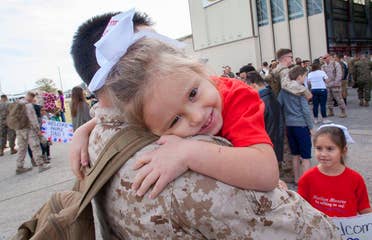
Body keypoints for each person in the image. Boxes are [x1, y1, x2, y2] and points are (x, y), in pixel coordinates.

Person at [69, 10, 340, 239]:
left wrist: (189, 152)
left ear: (200, 71)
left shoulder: (236, 97)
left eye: (193, 94)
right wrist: (86, 127)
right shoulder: (168, 97)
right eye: (175, 120)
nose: (197, 117)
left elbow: (267, 171)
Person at [298, 125, 372, 217]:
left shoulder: (355, 179)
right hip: (318, 230)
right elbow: (300, 208)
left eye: (330, 149)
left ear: (343, 150)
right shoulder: (307, 178)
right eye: (319, 148)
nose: (323, 154)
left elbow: (364, 209)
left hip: (346, 230)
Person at [278, 66, 314, 183]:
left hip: (289, 125)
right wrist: (311, 127)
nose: (305, 78)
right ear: (299, 76)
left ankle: (297, 179)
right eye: (305, 76)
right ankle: (306, 181)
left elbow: (279, 104)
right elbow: (306, 111)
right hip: (301, 125)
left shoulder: (283, 90)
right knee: (306, 157)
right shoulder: (301, 90)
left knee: (295, 154)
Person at [246, 71, 284, 163]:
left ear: (254, 85)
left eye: (249, 88)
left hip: (268, 147)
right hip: (274, 145)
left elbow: (266, 128)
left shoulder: (263, 101)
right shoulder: (270, 96)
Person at [14, 92, 51, 174]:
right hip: (29, 129)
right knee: (35, 146)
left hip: (19, 129)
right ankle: (41, 165)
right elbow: (33, 119)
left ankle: (19, 166)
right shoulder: (28, 105)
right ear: (31, 97)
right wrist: (38, 131)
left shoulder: (17, 104)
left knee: (21, 148)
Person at [321, 53, 347, 118]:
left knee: (339, 99)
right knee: (328, 99)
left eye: (325, 58)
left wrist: (336, 82)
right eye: (323, 58)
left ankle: (343, 111)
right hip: (327, 85)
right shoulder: (323, 66)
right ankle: (330, 111)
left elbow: (339, 74)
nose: (324, 59)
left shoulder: (336, 64)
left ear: (329, 57)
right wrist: (324, 81)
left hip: (335, 85)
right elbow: (322, 75)